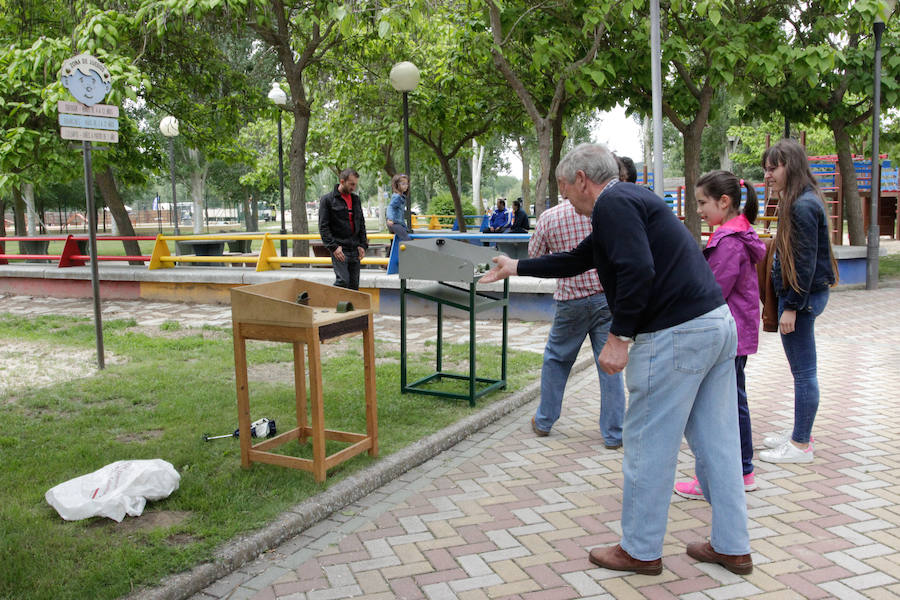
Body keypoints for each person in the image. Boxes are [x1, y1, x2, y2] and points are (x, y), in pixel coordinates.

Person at [480, 143, 752, 576]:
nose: (564, 197)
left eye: (564, 188)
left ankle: (640, 550)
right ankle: (733, 547)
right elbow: (580, 259)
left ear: (582, 180)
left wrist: (619, 336)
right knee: (718, 444)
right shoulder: (632, 198)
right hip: (714, 325)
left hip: (674, 334)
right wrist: (516, 266)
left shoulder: (614, 203)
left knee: (647, 444)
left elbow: (638, 270)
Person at [674, 171, 766, 500]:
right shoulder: (733, 238)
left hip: (729, 336)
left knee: (720, 409)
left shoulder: (728, 243)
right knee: (729, 405)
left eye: (702, 203)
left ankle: (728, 474)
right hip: (735, 334)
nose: (698, 210)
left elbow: (712, 291)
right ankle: (739, 471)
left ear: (723, 202)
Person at [758, 138, 837, 464]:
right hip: (804, 298)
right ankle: (799, 433)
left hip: (801, 301)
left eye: (773, 168)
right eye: (766, 169)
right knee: (802, 372)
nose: (768, 175)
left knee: (804, 373)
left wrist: (790, 306)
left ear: (790, 165)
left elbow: (802, 264)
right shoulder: (802, 199)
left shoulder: (802, 205)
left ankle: (801, 445)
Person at [528, 193, 625, 449]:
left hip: (570, 300)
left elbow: (535, 256)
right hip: (604, 298)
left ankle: (544, 420)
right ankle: (614, 433)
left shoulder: (548, 218)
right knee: (609, 366)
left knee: (557, 360)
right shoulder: (600, 215)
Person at [318, 168, 368, 290]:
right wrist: (334, 247)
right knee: (343, 281)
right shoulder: (327, 200)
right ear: (342, 181)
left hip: (355, 247)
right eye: (351, 184)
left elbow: (361, 223)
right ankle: (331, 302)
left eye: (355, 184)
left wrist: (363, 245)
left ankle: (352, 308)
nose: (354, 187)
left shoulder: (356, 200)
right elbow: (323, 227)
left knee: (354, 285)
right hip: (339, 248)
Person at [386, 173, 411, 241]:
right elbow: (390, 207)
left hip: (398, 223)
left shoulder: (401, 196)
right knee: (406, 239)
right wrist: (390, 219)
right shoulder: (397, 197)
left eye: (406, 184)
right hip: (394, 224)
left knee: (396, 241)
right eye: (403, 184)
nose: (406, 186)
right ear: (397, 185)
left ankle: (391, 251)